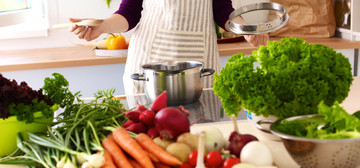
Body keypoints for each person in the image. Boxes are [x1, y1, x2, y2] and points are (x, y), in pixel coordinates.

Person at [70, 0, 269, 98]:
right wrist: (103, 25)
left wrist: (245, 28)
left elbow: (223, 10)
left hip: (198, 65)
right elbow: (128, 13)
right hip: (149, 62)